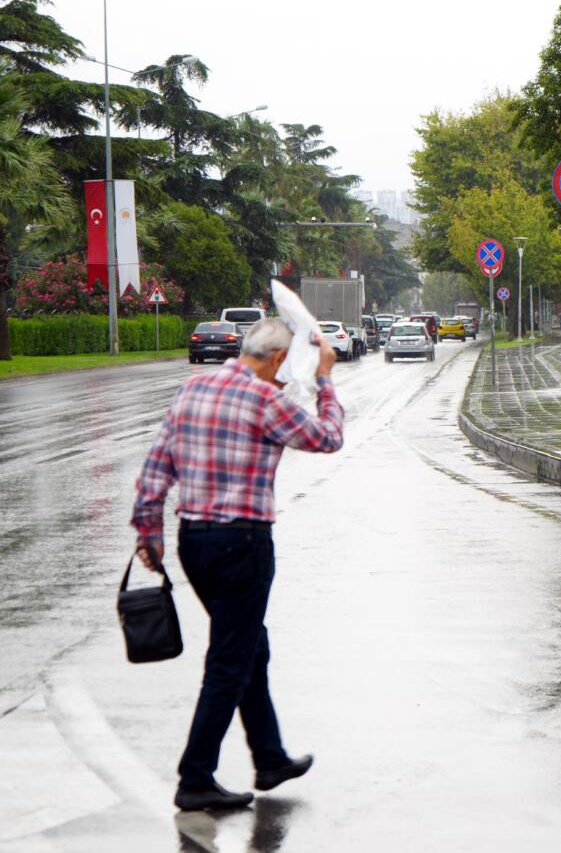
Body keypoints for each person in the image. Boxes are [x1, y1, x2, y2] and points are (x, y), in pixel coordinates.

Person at [131, 318, 344, 812]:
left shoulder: (194, 387)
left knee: (251, 645)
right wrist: (326, 381)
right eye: (285, 366)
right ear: (273, 360)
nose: (286, 376)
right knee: (230, 658)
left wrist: (148, 531)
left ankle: (269, 757)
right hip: (242, 545)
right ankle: (195, 777)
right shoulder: (265, 401)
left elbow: (158, 462)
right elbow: (328, 438)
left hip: (194, 542)